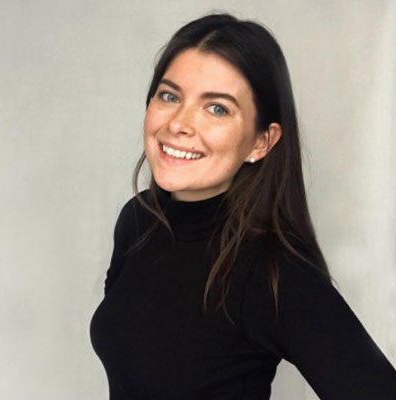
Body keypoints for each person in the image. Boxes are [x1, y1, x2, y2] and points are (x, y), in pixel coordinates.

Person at [90, 13, 396, 399]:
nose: (180, 123)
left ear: (261, 143)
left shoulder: (270, 270)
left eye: (217, 108)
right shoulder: (138, 220)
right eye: (170, 96)